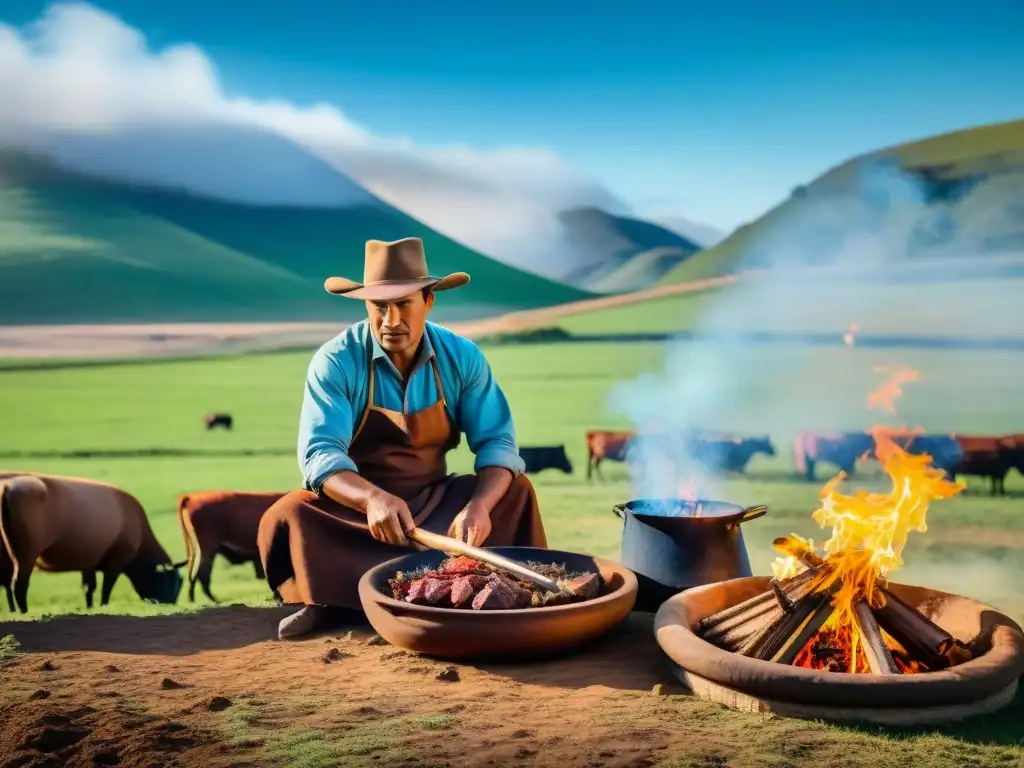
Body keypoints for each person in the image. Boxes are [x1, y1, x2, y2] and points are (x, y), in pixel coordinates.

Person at [258, 237, 548, 639]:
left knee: (515, 493)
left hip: (438, 507)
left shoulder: (463, 357)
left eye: (404, 304)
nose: (391, 320)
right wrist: (372, 499)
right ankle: (324, 600)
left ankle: (514, 592)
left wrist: (479, 506)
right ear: (365, 306)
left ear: (428, 301)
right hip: (358, 515)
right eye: (379, 306)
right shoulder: (336, 361)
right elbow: (321, 455)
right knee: (291, 513)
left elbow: (498, 443)